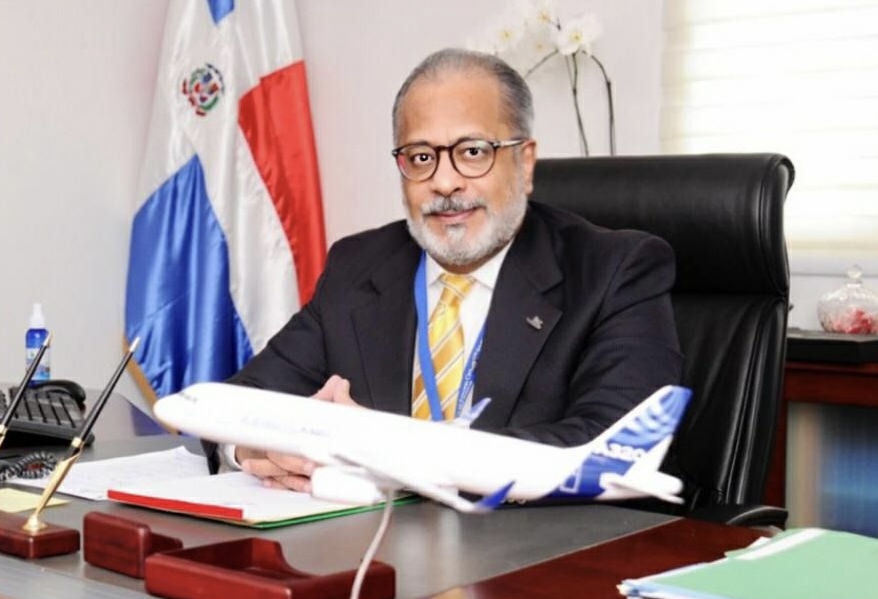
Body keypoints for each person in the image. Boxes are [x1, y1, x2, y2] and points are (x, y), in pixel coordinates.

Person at [204, 48, 683, 491]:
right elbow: (235, 404)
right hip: (374, 545)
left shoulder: (613, 271)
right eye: (421, 157)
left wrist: (388, 451)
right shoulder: (359, 267)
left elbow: (618, 449)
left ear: (525, 162)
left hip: (534, 546)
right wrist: (256, 448)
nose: (445, 182)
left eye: (473, 152)